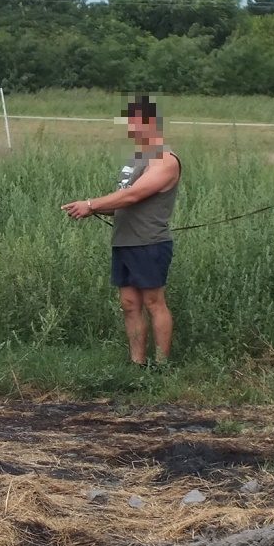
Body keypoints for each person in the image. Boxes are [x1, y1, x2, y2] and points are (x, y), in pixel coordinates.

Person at [62, 95, 181, 366]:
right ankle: (137, 364)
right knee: (129, 303)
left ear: (150, 122)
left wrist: (91, 204)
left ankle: (161, 366)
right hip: (124, 240)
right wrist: (90, 209)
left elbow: (133, 195)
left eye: (134, 122)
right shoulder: (137, 158)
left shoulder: (165, 159)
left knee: (154, 301)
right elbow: (122, 199)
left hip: (149, 241)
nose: (130, 129)